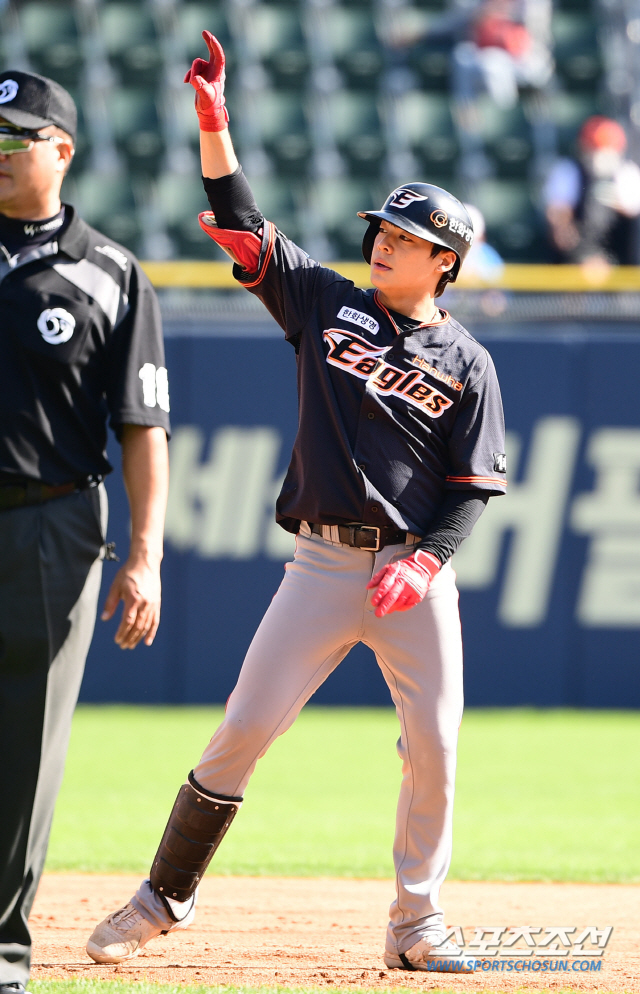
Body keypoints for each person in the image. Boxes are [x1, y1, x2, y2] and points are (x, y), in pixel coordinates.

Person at [86, 32, 506, 975]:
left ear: (445, 261)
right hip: (321, 566)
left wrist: (427, 560)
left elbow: (473, 487)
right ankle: (161, 897)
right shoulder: (324, 302)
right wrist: (214, 121)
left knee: (435, 747)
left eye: (406, 237)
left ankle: (416, 923)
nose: (384, 241)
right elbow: (243, 222)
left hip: (412, 576)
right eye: (383, 229)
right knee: (244, 728)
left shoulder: (468, 362)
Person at [0, 70, 170, 994]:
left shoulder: (109, 271)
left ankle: (1, 957)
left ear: (60, 150)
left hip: (52, 522)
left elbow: (143, 427)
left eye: (12, 138)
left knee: (25, 749)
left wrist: (144, 556)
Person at [544, 115, 640, 266]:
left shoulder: (628, 174)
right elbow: (560, 225)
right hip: (577, 260)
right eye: (596, 148)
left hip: (622, 262)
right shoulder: (568, 171)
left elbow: (631, 221)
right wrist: (584, 256)